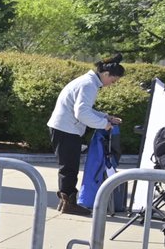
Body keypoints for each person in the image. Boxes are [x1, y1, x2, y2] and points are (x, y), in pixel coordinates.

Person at [47, 55, 125, 216]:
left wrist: (105, 117)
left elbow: (84, 110)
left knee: (68, 167)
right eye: (113, 81)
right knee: (69, 168)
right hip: (66, 129)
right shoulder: (89, 85)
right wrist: (104, 124)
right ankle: (68, 203)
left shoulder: (87, 82)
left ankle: (65, 203)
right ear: (106, 74)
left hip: (64, 127)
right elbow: (82, 113)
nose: (111, 85)